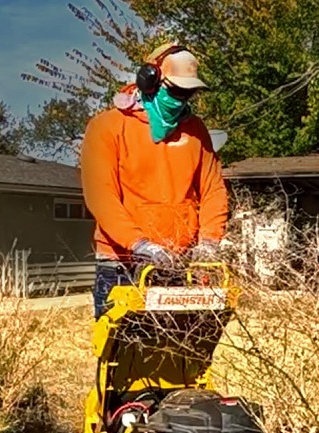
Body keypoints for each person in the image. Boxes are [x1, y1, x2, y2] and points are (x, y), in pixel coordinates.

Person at [80, 41, 229, 317]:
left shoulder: (196, 132)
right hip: (121, 265)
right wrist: (140, 244)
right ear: (150, 81)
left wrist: (209, 242)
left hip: (181, 265)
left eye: (188, 93)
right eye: (175, 90)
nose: (181, 99)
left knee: (185, 355)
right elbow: (101, 196)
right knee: (120, 355)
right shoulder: (107, 128)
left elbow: (213, 190)